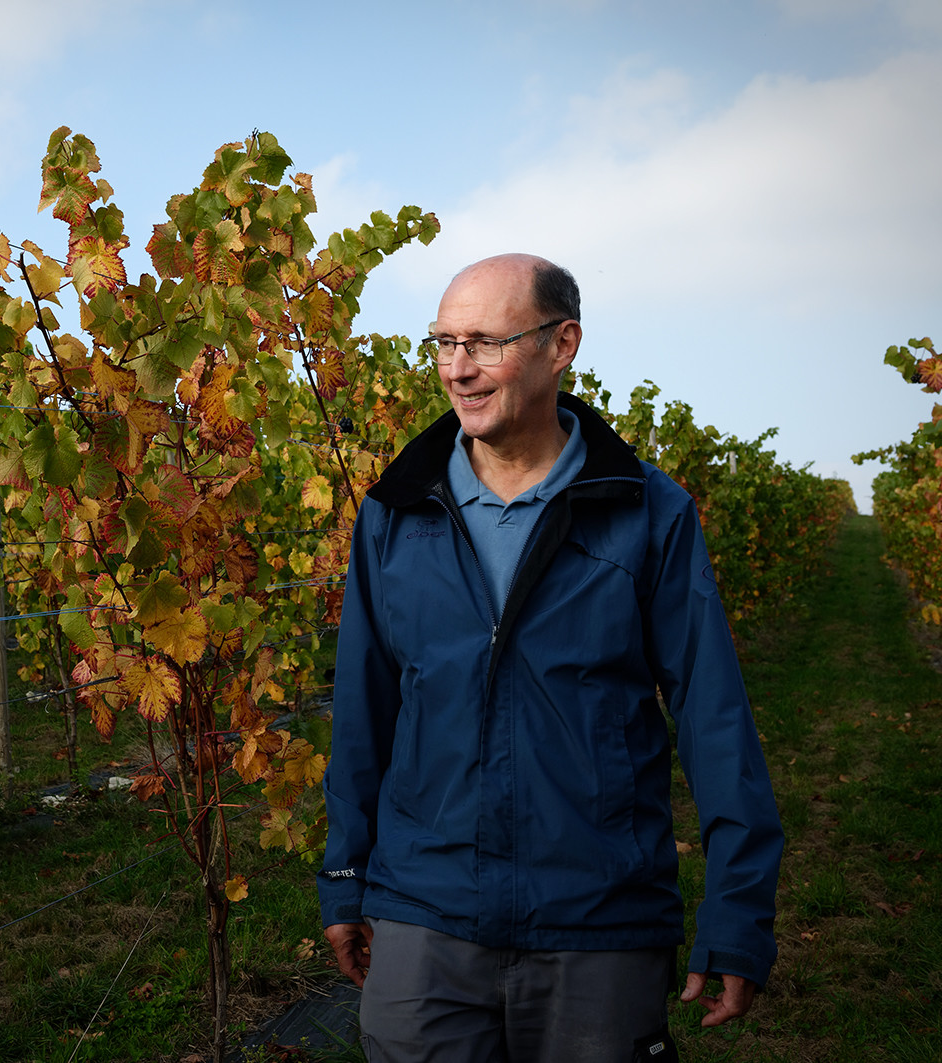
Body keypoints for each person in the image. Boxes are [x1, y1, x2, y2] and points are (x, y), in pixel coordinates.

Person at [318, 254, 782, 1063]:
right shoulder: (394, 514)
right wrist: (347, 878)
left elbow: (714, 717)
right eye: (442, 343)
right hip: (426, 914)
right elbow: (365, 710)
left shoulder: (648, 511)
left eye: (485, 343)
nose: (457, 369)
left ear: (561, 345)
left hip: (598, 922)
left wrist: (738, 913)